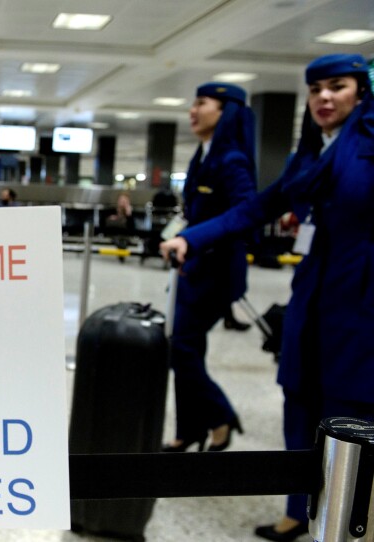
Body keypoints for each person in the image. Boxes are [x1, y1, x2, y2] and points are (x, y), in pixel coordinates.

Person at [161, 54, 374, 542]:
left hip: (359, 302)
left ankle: (352, 517)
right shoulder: (309, 156)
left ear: (360, 93)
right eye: (315, 88)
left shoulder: (368, 145)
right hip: (312, 294)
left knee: (351, 408)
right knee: (298, 400)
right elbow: (257, 207)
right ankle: (298, 509)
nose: (323, 97)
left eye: (337, 87)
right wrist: (192, 237)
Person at [161, 82, 257, 454]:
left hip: (216, 275)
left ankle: (220, 417)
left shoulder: (231, 160)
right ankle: (188, 431)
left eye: (201, 103)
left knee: (181, 349)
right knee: (186, 351)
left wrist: (196, 239)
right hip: (192, 271)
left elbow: (245, 212)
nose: (192, 110)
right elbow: (195, 212)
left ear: (226, 111)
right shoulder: (202, 156)